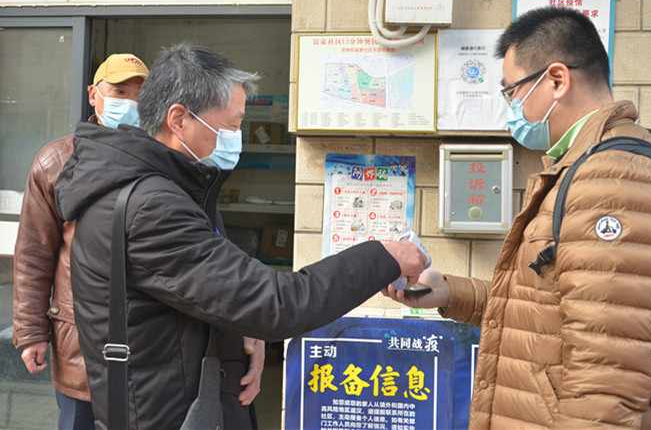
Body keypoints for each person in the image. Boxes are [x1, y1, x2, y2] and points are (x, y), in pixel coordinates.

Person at [53, 42, 427, 429]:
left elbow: (211, 295)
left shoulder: (174, 189)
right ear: (178, 119)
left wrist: (245, 333)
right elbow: (278, 304)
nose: (237, 137)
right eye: (231, 125)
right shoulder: (153, 207)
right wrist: (384, 256)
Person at [385, 7, 651, 429]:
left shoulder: (612, 183)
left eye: (513, 91)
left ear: (557, 80)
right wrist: (451, 292)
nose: (512, 106)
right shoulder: (587, 168)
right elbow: (549, 312)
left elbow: (605, 383)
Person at [12, 53, 149, 429]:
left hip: (148, 343)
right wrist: (31, 332)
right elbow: (34, 254)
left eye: (140, 95)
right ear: (93, 94)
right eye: (119, 91)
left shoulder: (162, 161)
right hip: (78, 342)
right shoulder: (56, 161)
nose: (130, 103)